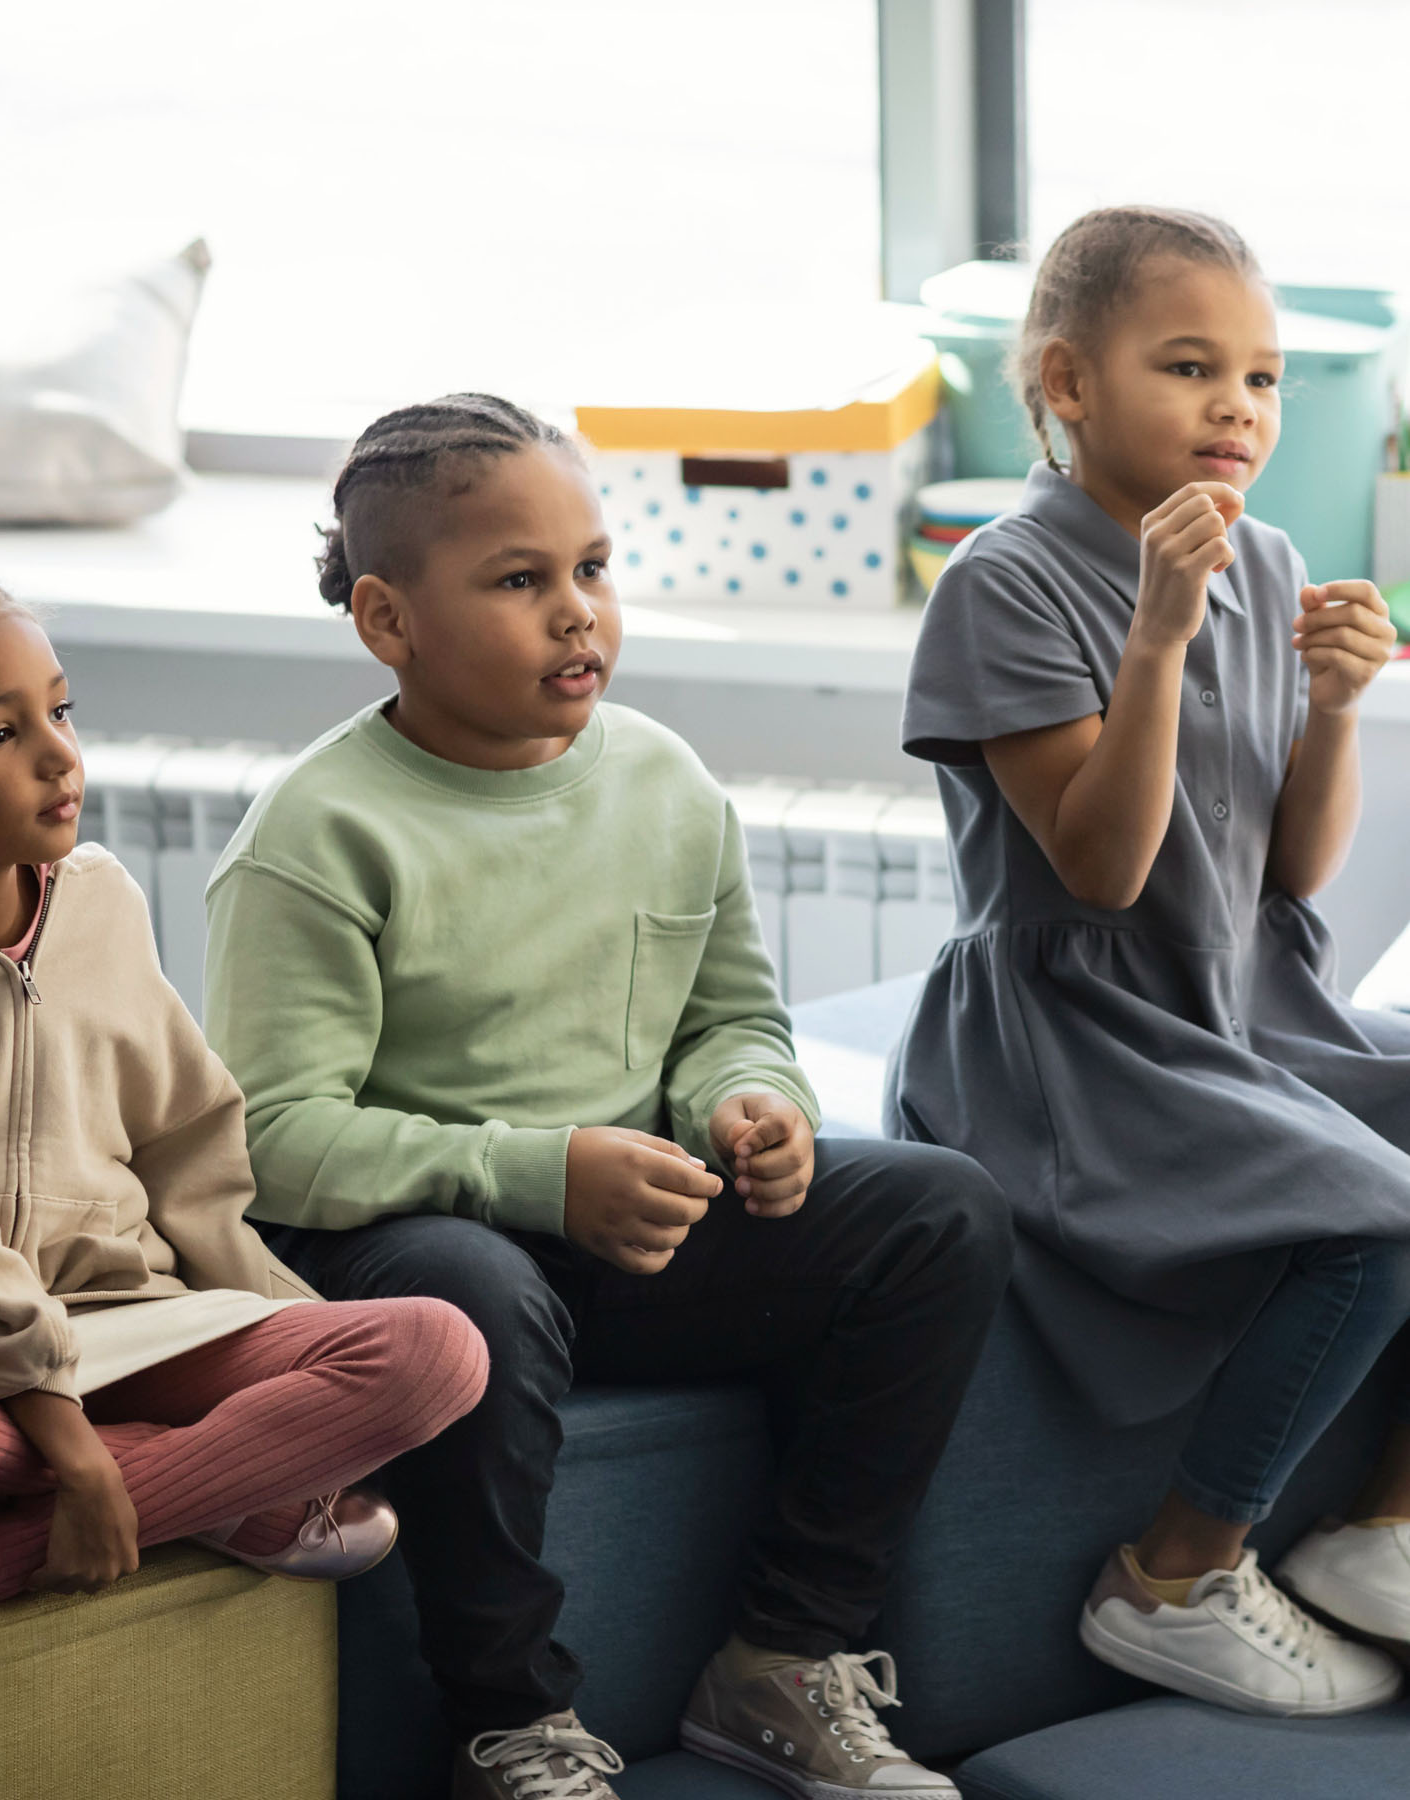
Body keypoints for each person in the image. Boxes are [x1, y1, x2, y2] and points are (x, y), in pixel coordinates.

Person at [203, 393, 1012, 1800]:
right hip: (419, 1245)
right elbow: (271, 1145)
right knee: (476, 1293)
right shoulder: (316, 835)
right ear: (388, 621)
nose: (579, 613)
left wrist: (750, 1105)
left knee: (939, 1214)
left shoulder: (664, 780)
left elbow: (730, 1019)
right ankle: (505, 1720)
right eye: (520, 581)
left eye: (593, 567)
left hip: (628, 1232)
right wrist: (538, 1172)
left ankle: (782, 1656)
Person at [885, 205, 1410, 1719]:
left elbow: (1293, 872)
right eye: (1189, 367)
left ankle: (1384, 1529)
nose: (1236, 408)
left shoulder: (1273, 555)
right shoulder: (1007, 581)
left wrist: (1335, 709)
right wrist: (1159, 638)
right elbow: (1100, 871)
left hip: (1239, 998)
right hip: (1078, 1033)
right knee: (1372, 1227)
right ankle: (1178, 1572)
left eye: (1260, 378)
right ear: (1065, 381)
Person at [0, 547, 488, 1619]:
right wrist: (82, 1455)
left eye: (61, 711)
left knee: (437, 1349)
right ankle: (206, 1494)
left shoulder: (98, 897)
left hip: (136, 1323)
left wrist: (272, 1334)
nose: (60, 757)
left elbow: (191, 1151)